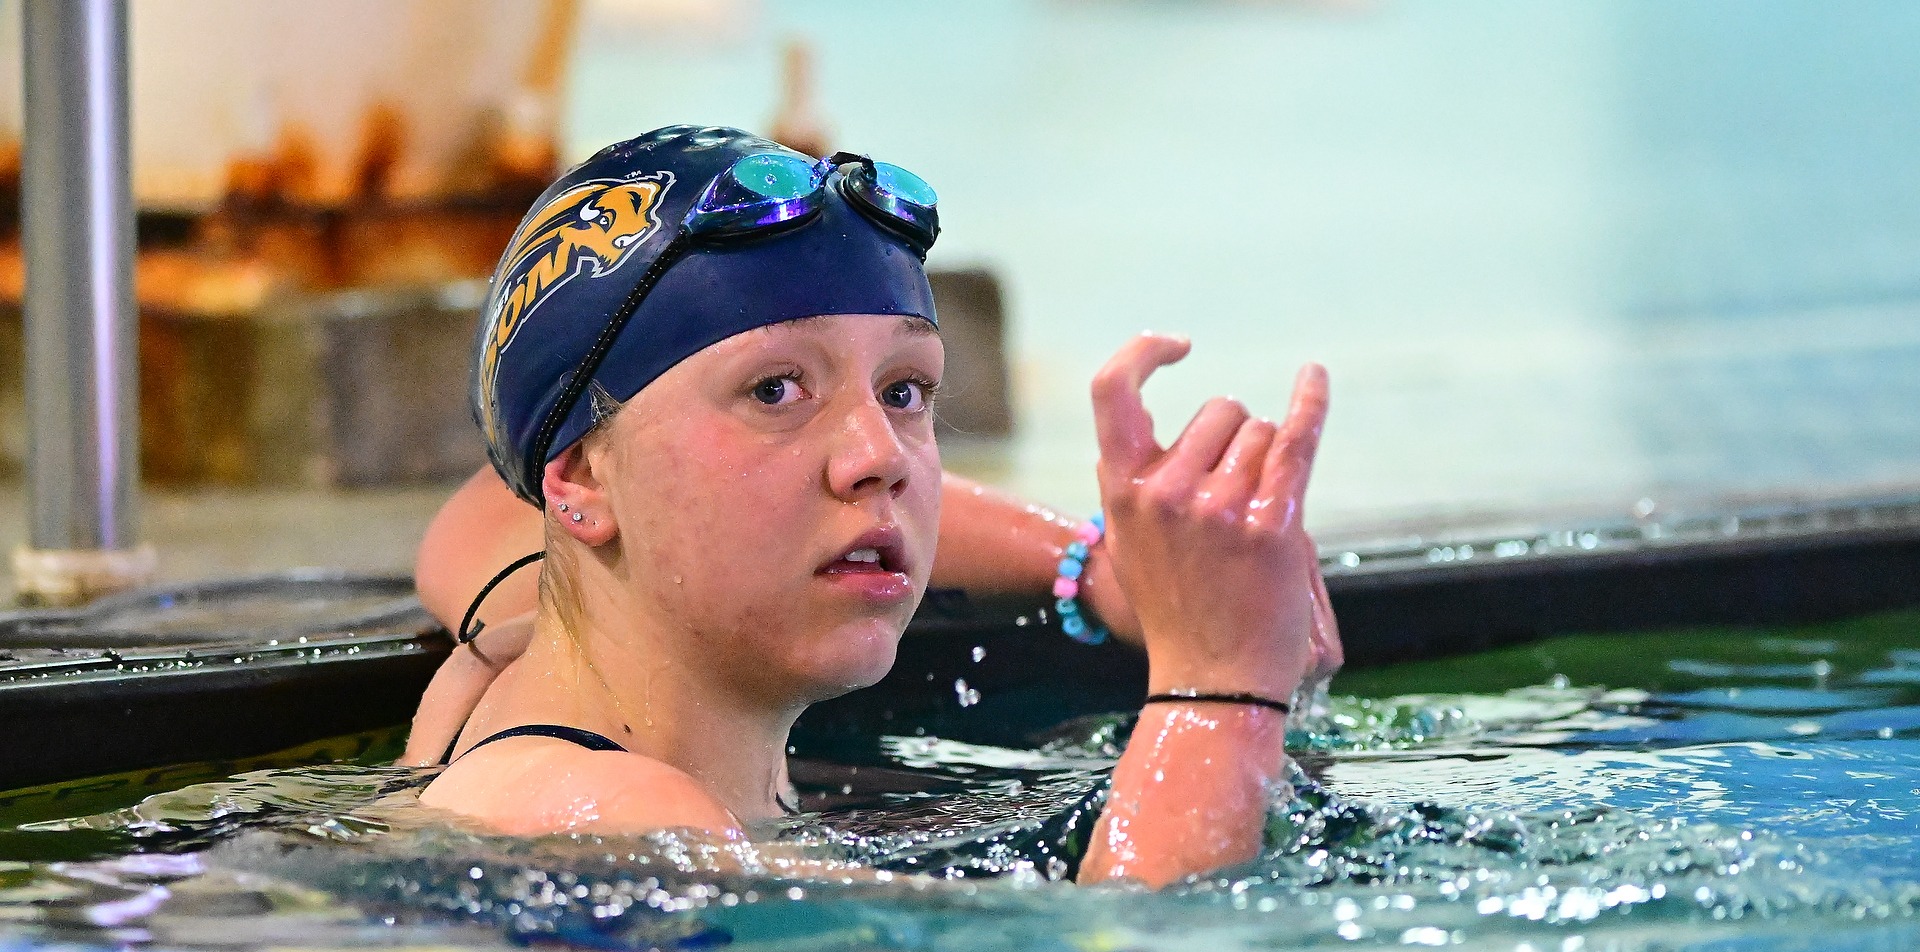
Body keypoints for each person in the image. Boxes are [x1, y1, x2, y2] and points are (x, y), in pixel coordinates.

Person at [409, 125, 1340, 888]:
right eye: (776, 389)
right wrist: (1220, 689)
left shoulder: (512, 680)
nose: (879, 458)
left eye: (903, 391)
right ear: (579, 482)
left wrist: (1088, 567)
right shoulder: (618, 824)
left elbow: (490, 499)